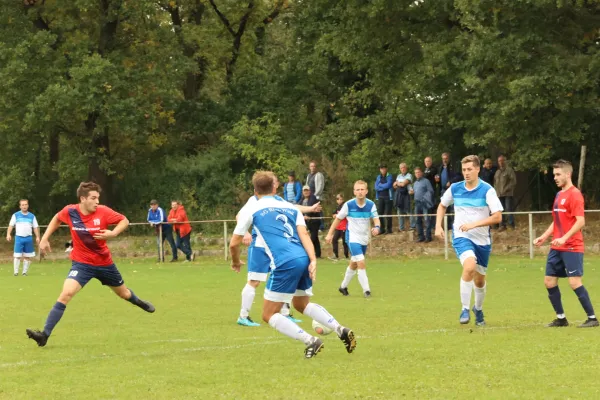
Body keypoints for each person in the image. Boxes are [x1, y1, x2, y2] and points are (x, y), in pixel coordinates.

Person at [230, 171, 356, 358]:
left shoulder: (253, 208)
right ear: (275, 188)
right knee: (301, 303)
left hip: (284, 262)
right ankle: (340, 329)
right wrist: (313, 260)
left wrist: (235, 261)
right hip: (302, 257)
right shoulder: (289, 207)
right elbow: (304, 235)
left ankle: (310, 341)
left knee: (268, 314)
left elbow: (234, 243)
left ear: (255, 189)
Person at [25, 182, 155, 347]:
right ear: (83, 199)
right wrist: (44, 238)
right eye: (93, 198)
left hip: (104, 264)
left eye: (98, 198)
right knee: (66, 294)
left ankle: (139, 302)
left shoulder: (104, 212)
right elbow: (57, 218)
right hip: (82, 264)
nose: (97, 202)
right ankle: (44, 335)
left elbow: (124, 220)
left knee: (124, 294)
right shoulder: (71, 211)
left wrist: (113, 233)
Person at [236, 175, 321, 327]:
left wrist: (311, 209)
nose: (275, 183)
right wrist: (246, 233)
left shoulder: (278, 200)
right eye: (273, 181)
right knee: (255, 280)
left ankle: (285, 313)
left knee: (287, 275)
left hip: (278, 248)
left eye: (275, 181)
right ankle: (244, 315)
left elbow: (294, 208)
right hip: (260, 247)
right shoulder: (254, 200)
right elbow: (239, 215)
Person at [435, 155, 503, 327]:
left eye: (470, 169)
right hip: (461, 236)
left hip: (482, 240)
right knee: (469, 266)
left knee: (480, 281)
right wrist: (438, 226)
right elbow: (442, 205)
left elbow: (497, 217)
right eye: (464, 170)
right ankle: (464, 308)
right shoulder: (455, 188)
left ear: (478, 169)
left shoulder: (487, 190)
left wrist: (474, 224)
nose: (466, 173)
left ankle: (478, 309)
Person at [533, 160, 598, 328]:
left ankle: (592, 318)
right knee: (549, 281)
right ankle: (561, 318)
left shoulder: (575, 194)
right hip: (557, 247)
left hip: (572, 246)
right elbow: (556, 221)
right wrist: (544, 236)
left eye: (558, 174)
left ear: (568, 174)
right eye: (554, 174)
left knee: (574, 282)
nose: (555, 177)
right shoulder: (559, 194)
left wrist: (564, 238)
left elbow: (580, 221)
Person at [326, 180, 381, 298]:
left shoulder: (371, 204)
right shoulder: (348, 205)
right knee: (361, 262)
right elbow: (337, 219)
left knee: (354, 264)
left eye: (362, 189)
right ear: (354, 192)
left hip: (364, 238)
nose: (360, 192)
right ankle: (367, 291)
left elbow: (376, 219)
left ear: (366, 191)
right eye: (357, 190)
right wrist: (330, 234)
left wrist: (377, 227)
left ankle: (343, 287)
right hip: (352, 238)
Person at [7, 199, 40, 276]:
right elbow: (11, 225)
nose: (24, 206)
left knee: (27, 256)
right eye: (22, 205)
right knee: (17, 256)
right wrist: (8, 234)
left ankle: (24, 272)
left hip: (28, 238)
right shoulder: (15, 215)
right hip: (19, 238)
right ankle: (16, 272)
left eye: (25, 204)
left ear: (28, 205)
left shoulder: (32, 216)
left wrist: (37, 236)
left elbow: (35, 227)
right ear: (20, 206)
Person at [494, 154, 517, 231]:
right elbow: (495, 183)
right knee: (500, 210)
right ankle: (502, 225)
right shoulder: (497, 172)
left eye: (502, 160)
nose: (501, 162)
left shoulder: (509, 170)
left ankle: (511, 225)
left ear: (505, 161)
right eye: (499, 161)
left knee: (508, 209)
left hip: (507, 194)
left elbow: (513, 181)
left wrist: (507, 189)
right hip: (499, 194)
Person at [412, 168, 434, 242]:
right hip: (417, 203)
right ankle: (421, 237)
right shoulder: (415, 183)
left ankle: (428, 237)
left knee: (426, 220)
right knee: (418, 220)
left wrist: (425, 198)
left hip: (424, 203)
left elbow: (431, 191)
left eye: (418, 172)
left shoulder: (426, 181)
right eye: (416, 173)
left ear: (421, 173)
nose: (417, 174)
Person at [301, 185, 321, 258]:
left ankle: (308, 254)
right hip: (307, 222)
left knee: (312, 238)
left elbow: (313, 209)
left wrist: (307, 215)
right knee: (315, 239)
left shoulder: (313, 199)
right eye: (304, 191)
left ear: (310, 191)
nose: (306, 192)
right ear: (302, 192)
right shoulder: (302, 200)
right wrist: (303, 216)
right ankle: (318, 254)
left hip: (315, 221)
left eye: (307, 190)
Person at [328, 193, 349, 261]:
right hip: (338, 227)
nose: (339, 200)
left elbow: (344, 215)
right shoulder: (338, 207)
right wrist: (334, 215)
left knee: (344, 242)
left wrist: (337, 215)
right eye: (337, 199)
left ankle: (346, 256)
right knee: (334, 240)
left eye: (340, 199)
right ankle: (335, 255)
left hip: (344, 227)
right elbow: (334, 213)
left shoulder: (344, 206)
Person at [374, 163, 394, 234]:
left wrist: (380, 186)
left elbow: (388, 185)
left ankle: (389, 229)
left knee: (388, 213)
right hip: (380, 197)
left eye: (383, 168)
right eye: (381, 168)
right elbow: (376, 187)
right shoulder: (378, 177)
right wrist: (382, 186)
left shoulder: (389, 176)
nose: (382, 170)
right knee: (380, 213)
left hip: (388, 197)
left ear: (386, 169)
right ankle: (382, 229)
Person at [306, 161, 325, 230]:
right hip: (310, 195)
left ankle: (321, 226)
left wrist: (315, 194)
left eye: (314, 166)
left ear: (316, 167)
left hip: (316, 196)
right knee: (311, 210)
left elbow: (320, 186)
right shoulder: (308, 176)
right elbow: (307, 185)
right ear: (309, 167)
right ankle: (311, 225)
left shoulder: (319, 175)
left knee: (319, 211)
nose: (313, 167)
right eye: (311, 166)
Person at [393, 163, 412, 231]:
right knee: (399, 211)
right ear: (400, 169)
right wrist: (400, 184)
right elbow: (394, 185)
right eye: (401, 168)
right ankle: (401, 228)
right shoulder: (398, 176)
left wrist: (399, 183)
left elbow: (404, 184)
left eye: (404, 167)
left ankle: (413, 226)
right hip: (399, 195)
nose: (403, 169)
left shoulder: (409, 175)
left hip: (407, 194)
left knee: (408, 211)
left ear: (406, 168)